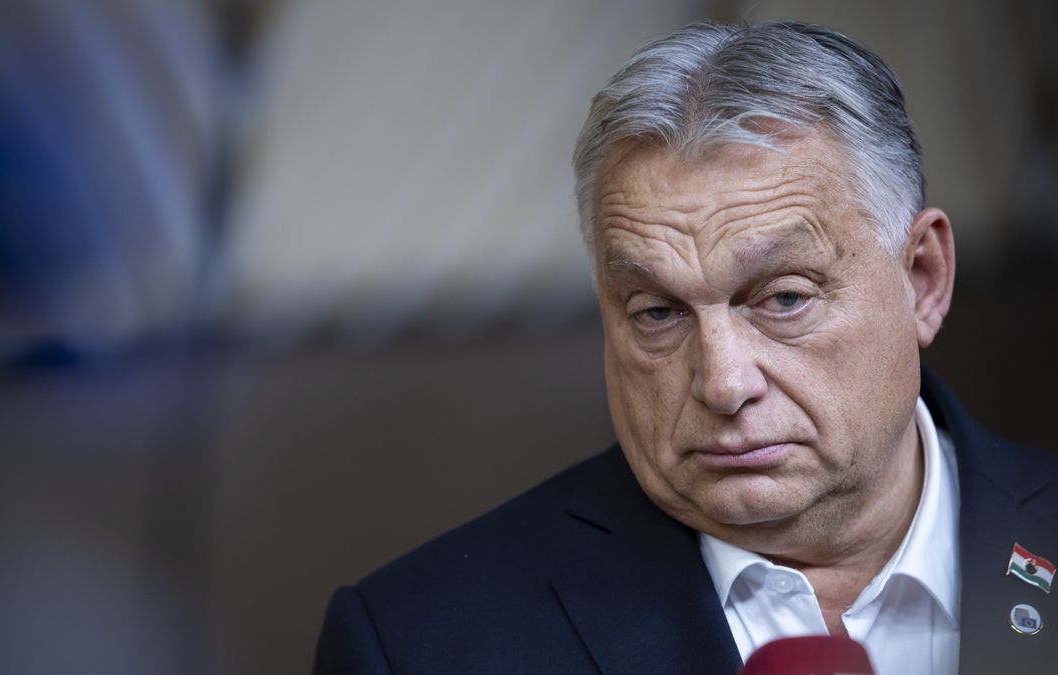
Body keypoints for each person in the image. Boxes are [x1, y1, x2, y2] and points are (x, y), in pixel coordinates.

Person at [312, 20, 1058, 674]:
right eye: (659, 312)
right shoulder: (420, 643)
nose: (724, 383)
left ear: (922, 279)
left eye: (785, 298)